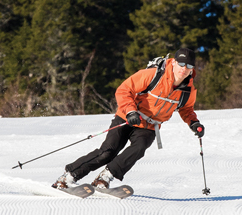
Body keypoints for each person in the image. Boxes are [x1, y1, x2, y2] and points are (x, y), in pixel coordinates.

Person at [54, 47, 205, 189]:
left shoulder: (188, 91)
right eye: (181, 64)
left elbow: (186, 109)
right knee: (108, 152)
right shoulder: (153, 75)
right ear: (174, 63)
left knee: (138, 149)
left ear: (192, 69)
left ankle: (105, 178)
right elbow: (124, 89)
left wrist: (194, 123)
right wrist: (131, 111)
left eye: (189, 66)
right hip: (128, 117)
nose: (184, 69)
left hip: (149, 126)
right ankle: (68, 177)